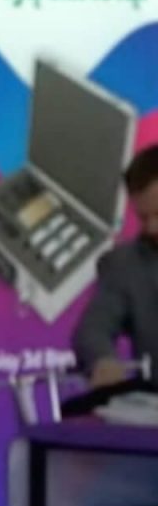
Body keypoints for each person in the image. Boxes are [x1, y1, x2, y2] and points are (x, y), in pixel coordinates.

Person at [72, 145, 158, 387]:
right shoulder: (124, 265)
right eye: (143, 217)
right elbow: (92, 329)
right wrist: (102, 360)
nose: (152, 228)